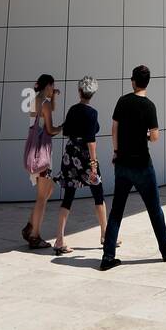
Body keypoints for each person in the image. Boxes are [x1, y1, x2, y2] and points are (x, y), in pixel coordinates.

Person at [100, 65, 166, 272]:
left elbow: (114, 128)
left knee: (116, 212)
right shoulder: (149, 106)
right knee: (154, 209)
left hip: (122, 164)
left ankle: (108, 257)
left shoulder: (122, 101)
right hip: (142, 166)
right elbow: (155, 137)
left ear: (133, 81)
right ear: (147, 83)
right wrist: (144, 135)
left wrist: (116, 151)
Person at [51, 75, 117, 255]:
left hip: (71, 154)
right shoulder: (92, 113)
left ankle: (59, 240)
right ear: (93, 93)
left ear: (79, 91)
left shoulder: (73, 109)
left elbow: (66, 131)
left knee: (68, 196)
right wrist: (94, 165)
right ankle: (105, 235)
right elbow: (91, 141)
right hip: (86, 156)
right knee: (98, 194)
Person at [22, 73, 61, 250]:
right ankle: (35, 235)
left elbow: (47, 112)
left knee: (48, 190)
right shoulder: (44, 103)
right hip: (42, 155)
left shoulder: (35, 101)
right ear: (48, 86)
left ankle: (30, 226)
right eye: (53, 86)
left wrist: (53, 98)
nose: (54, 89)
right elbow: (50, 129)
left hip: (34, 152)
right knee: (41, 197)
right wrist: (63, 127)